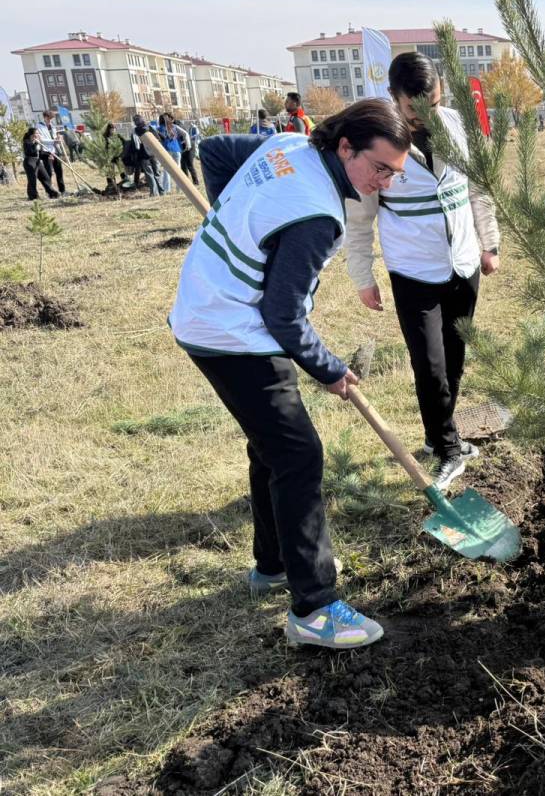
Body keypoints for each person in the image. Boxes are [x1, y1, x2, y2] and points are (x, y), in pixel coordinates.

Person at [169, 98, 411, 649]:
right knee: (299, 454)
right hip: (229, 329)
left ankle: (274, 563)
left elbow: (215, 151)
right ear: (345, 146)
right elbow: (284, 315)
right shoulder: (317, 217)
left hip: (215, 308)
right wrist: (328, 368)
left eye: (395, 174)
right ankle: (314, 608)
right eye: (379, 169)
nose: (386, 184)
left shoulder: (290, 145)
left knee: (273, 445)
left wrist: (234, 216)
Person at [344, 52, 501, 489]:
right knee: (428, 364)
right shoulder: (378, 143)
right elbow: (358, 219)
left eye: (430, 104)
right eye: (413, 110)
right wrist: (363, 276)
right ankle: (449, 450)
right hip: (413, 271)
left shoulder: (459, 126)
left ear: (440, 93)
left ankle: (437, 436)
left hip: (463, 263)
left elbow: (479, 190)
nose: (423, 117)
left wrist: (489, 244)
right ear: (394, 99)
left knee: (454, 358)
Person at [22, 127, 60, 199]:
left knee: (45, 177)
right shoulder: (27, 142)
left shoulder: (37, 142)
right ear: (31, 134)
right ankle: (33, 196)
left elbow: (40, 153)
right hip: (29, 162)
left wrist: (49, 155)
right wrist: (36, 143)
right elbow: (31, 152)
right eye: (36, 133)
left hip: (38, 161)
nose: (38, 134)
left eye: (38, 133)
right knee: (32, 179)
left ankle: (52, 193)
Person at [130, 115, 163, 195]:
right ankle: (158, 192)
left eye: (137, 120)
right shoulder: (144, 129)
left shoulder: (144, 129)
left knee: (153, 174)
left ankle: (158, 192)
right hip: (148, 154)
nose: (137, 122)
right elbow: (158, 138)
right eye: (136, 120)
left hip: (149, 154)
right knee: (153, 174)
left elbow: (158, 139)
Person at [36, 110, 66, 194]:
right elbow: (41, 140)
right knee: (48, 172)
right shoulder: (39, 126)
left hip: (55, 150)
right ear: (45, 117)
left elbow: (55, 136)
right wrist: (53, 141)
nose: (51, 120)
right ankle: (50, 191)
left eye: (52, 119)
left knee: (59, 171)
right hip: (45, 151)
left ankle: (62, 190)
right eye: (50, 119)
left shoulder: (52, 126)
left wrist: (58, 137)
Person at [101, 123, 127, 194]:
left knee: (122, 170)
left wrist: (122, 152)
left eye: (114, 129)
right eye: (112, 129)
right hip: (109, 157)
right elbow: (103, 146)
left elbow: (125, 143)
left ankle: (125, 182)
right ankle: (112, 185)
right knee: (110, 172)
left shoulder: (118, 136)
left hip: (118, 156)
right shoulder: (105, 137)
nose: (113, 131)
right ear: (108, 130)